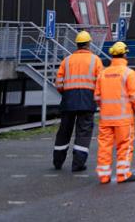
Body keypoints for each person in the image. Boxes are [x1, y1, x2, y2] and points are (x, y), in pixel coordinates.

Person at [52, 30, 103, 172]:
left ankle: (57, 161)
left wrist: (67, 92)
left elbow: (59, 84)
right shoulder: (95, 60)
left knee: (64, 131)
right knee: (84, 132)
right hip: (87, 100)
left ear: (77, 44)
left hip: (69, 99)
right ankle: (78, 163)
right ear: (88, 44)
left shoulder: (66, 61)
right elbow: (100, 83)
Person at [94, 41, 135, 184]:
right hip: (124, 119)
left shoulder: (103, 73)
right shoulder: (129, 73)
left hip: (105, 118)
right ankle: (123, 174)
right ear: (125, 54)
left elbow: (97, 97)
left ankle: (103, 176)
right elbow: (134, 96)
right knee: (124, 145)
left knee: (104, 146)